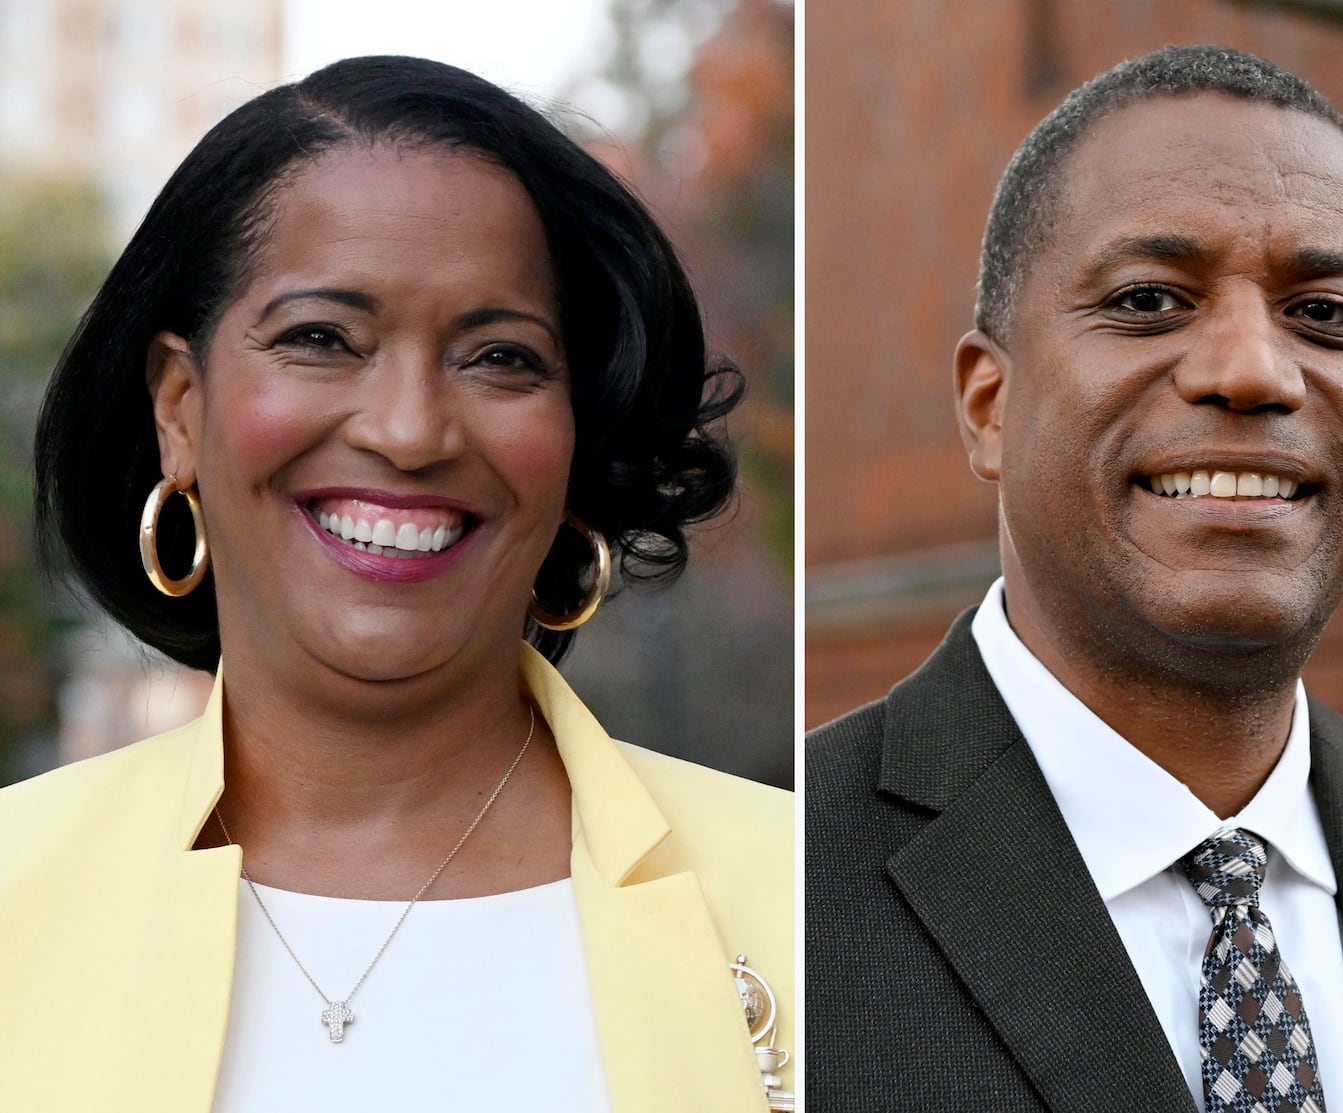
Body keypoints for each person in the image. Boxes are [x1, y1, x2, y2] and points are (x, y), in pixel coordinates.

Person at [806, 44, 1343, 1112]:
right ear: (988, 404)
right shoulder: (772, 895)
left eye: (1324, 313)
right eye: (1148, 300)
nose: (1251, 370)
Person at [0, 56, 792, 1113]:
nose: (411, 431)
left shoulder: (808, 893)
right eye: (323, 339)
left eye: (501, 357)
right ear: (180, 410)